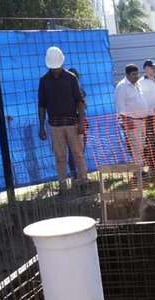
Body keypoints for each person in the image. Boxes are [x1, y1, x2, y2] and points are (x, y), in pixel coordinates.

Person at [38, 46, 88, 194]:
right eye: (53, 68)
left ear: (62, 63)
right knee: (60, 157)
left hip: (72, 124)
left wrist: (80, 122)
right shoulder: (44, 81)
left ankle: (84, 182)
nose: (56, 70)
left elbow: (79, 101)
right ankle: (62, 187)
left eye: (58, 67)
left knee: (78, 154)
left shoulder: (71, 78)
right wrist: (41, 127)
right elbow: (42, 105)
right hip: (54, 126)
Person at [115, 64, 150, 167]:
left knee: (141, 145)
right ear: (127, 74)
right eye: (133, 74)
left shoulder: (137, 84)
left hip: (142, 120)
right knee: (136, 146)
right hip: (132, 121)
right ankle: (139, 170)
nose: (136, 76)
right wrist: (126, 120)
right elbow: (120, 106)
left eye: (137, 73)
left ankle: (140, 167)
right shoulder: (122, 86)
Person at [66, 68, 88, 181]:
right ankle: (74, 174)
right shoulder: (64, 91)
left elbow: (85, 106)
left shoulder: (81, 90)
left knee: (81, 149)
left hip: (82, 121)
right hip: (71, 123)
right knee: (72, 150)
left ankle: (81, 175)